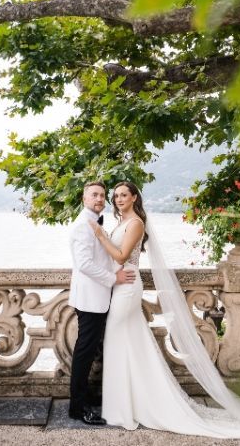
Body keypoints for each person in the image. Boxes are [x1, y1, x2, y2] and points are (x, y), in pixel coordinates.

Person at [88, 181, 240, 445]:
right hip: (120, 286)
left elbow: (121, 256)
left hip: (127, 288)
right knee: (125, 344)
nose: (118, 199)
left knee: (120, 340)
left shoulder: (136, 222)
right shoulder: (120, 222)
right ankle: (126, 405)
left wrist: (99, 235)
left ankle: (130, 407)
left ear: (134, 197)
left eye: (123, 195)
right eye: (115, 195)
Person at [68, 180, 136, 425]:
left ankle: (85, 396)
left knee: (90, 349)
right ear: (84, 198)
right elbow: (84, 264)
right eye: (94, 195)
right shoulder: (82, 226)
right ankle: (77, 408)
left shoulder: (94, 222)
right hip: (90, 297)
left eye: (102, 196)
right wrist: (113, 278)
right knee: (84, 353)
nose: (99, 199)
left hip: (97, 296)